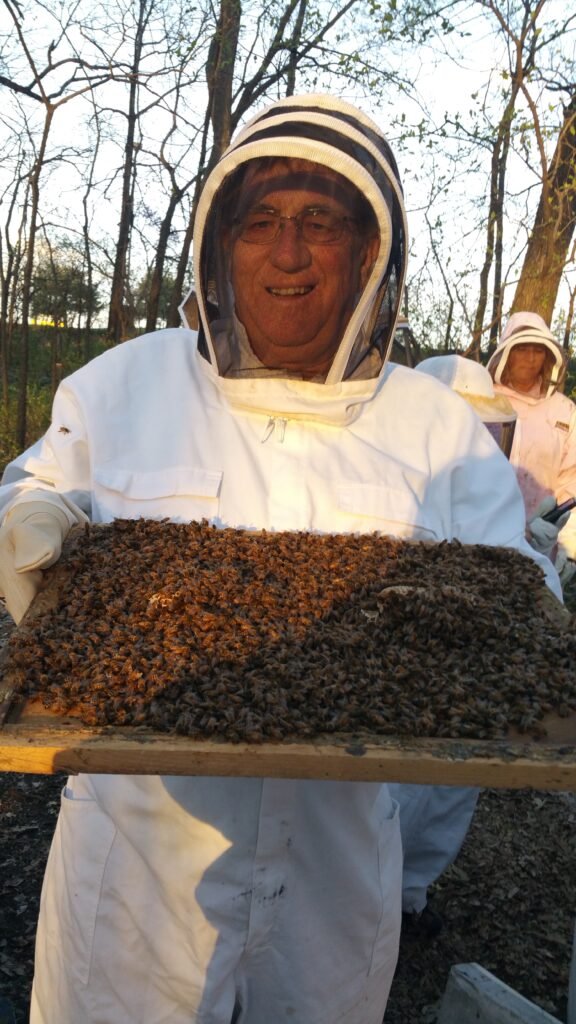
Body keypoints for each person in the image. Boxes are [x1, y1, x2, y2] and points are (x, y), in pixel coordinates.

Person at [0, 95, 561, 1024]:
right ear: (222, 243)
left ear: (372, 251)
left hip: (334, 883)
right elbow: (27, 496)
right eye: (260, 222)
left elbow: (518, 587)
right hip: (135, 875)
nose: (287, 252)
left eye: (320, 224)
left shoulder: (439, 433)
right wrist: (33, 521)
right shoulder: (120, 386)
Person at [389, 353, 567, 939]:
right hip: (402, 676)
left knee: (446, 794)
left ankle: (409, 895)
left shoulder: (487, 488)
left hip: (469, 678)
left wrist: (539, 570)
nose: (486, 442)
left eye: (494, 430)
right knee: (386, 798)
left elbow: (518, 566)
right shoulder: (394, 479)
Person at [487, 312, 576, 589]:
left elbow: (571, 479)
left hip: (541, 543)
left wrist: (566, 545)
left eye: (537, 350)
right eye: (521, 349)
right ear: (506, 354)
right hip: (484, 536)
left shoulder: (564, 411)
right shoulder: (485, 400)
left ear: (547, 357)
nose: (529, 358)